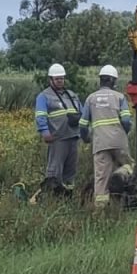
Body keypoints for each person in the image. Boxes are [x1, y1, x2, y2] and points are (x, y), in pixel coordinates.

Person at [79, 64, 133, 206]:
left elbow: (82, 124)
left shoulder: (90, 99)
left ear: (100, 80)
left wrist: (86, 138)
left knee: (101, 179)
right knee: (129, 165)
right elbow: (126, 120)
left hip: (100, 144)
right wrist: (123, 133)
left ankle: (100, 211)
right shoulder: (119, 97)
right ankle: (119, 175)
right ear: (113, 81)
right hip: (119, 141)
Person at [34, 63, 83, 195]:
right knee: (54, 171)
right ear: (51, 80)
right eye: (57, 78)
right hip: (57, 139)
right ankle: (51, 196)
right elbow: (40, 115)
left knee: (70, 171)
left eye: (62, 78)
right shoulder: (44, 96)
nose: (60, 81)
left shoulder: (71, 95)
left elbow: (82, 113)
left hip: (73, 137)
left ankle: (67, 196)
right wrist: (45, 132)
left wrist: (85, 131)